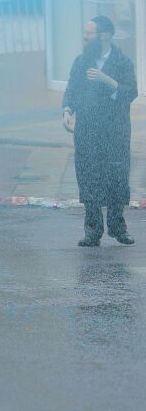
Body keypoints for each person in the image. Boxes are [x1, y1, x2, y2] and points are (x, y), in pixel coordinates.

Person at [63, 15, 138, 247]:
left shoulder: (122, 62)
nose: (85, 37)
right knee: (89, 177)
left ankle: (118, 228)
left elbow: (131, 92)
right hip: (87, 131)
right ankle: (92, 232)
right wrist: (67, 110)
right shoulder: (81, 61)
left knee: (116, 177)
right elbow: (72, 89)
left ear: (103, 35)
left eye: (89, 33)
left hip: (114, 131)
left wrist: (107, 80)